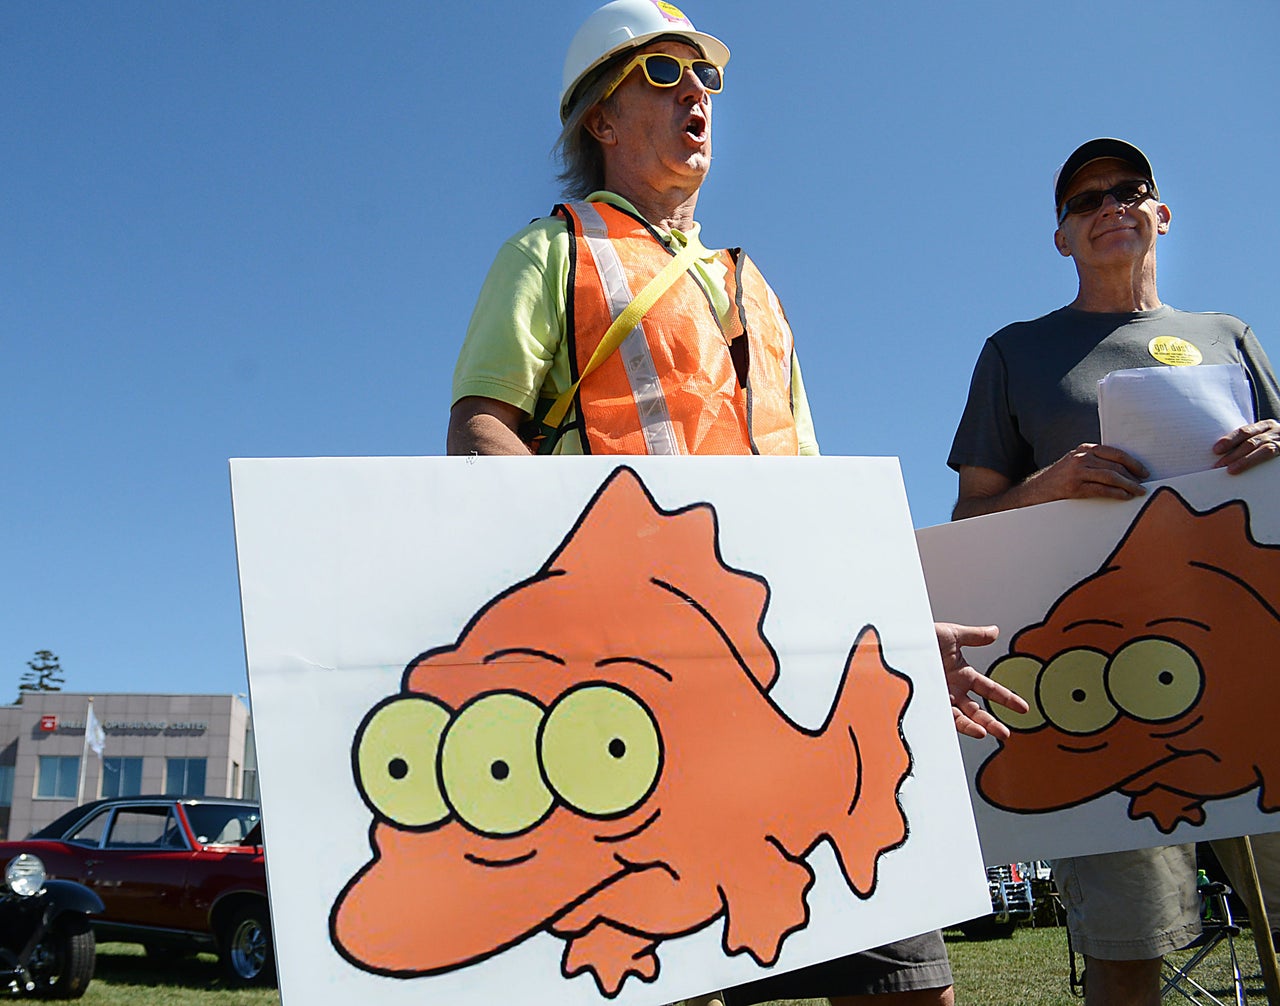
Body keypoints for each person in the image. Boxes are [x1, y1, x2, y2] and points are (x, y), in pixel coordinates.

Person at [447, 3, 1027, 1003]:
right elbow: (478, 431)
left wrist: (882, 629)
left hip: (790, 677)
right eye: (666, 75)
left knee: (909, 982)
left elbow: (809, 506)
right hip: (640, 689)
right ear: (601, 119)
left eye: (706, 79)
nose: (697, 96)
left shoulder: (750, 284)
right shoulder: (552, 253)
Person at [948, 136, 1280, 1006]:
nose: (1110, 206)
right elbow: (968, 523)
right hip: (1102, 690)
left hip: (1255, 671)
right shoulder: (1016, 353)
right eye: (1085, 199)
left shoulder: (1229, 336)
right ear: (1060, 237)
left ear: (1161, 214)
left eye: (1129, 190)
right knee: (1128, 952)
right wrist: (1048, 485)